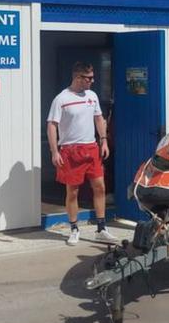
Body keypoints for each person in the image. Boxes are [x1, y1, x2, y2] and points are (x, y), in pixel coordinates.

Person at [47, 61, 119, 245]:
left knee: (100, 187)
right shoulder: (61, 99)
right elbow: (52, 125)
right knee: (73, 191)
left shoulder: (92, 96)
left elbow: (99, 119)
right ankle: (74, 228)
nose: (92, 81)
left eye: (93, 77)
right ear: (78, 78)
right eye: (88, 78)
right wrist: (55, 151)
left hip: (91, 148)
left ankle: (101, 228)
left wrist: (103, 141)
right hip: (70, 150)